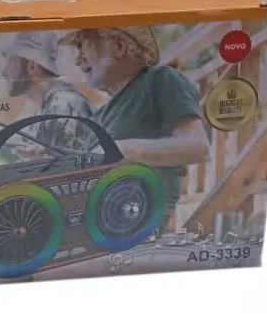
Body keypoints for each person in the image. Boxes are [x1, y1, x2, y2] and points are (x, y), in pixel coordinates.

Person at [59, 25, 210, 230]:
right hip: (91, 230)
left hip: (134, 232)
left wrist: (122, 150)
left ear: (119, 45)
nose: (78, 60)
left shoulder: (160, 79)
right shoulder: (101, 114)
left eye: (83, 45)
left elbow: (198, 147)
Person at [1, 31, 93, 154]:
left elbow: (72, 162)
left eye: (10, 63)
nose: (4, 72)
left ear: (32, 67)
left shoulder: (64, 104)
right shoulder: (42, 109)